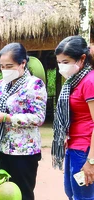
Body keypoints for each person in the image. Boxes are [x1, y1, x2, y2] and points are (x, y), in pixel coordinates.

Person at [0, 43, 47, 200]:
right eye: (2, 66)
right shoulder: (1, 85)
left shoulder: (34, 85)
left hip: (23, 152)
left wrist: (7, 118)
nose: (5, 70)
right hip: (1, 148)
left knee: (23, 194)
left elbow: (38, 117)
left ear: (22, 63)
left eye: (9, 66)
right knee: (0, 192)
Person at [51, 35, 94, 200]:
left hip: (84, 149)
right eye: (59, 62)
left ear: (82, 59)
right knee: (72, 193)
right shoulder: (73, 82)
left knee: (83, 197)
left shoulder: (89, 82)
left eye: (66, 62)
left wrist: (91, 161)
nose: (62, 66)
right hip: (72, 145)